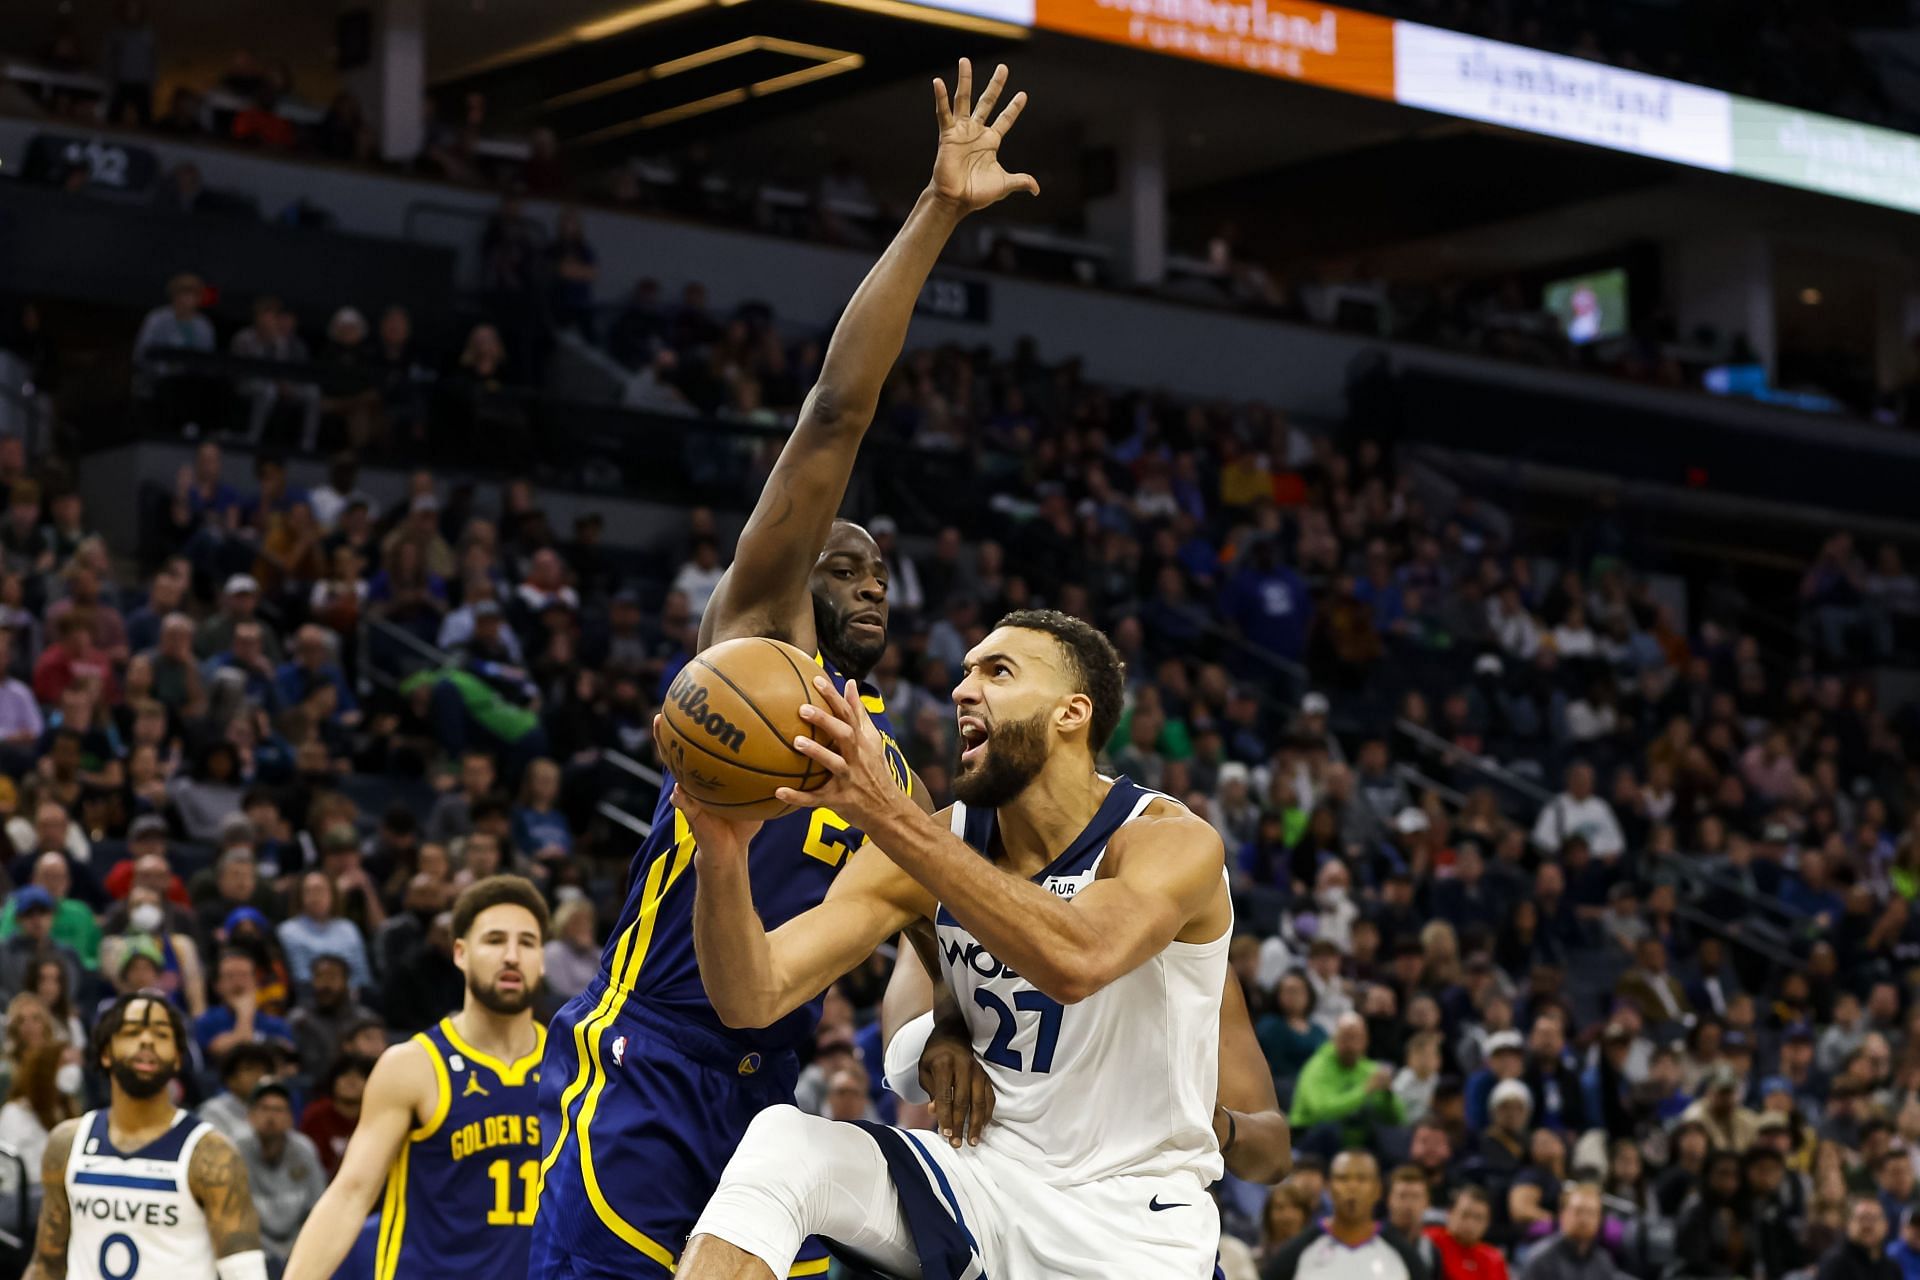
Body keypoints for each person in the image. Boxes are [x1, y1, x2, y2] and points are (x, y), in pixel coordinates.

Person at [528, 58, 1039, 1280]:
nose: (867, 580)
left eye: (880, 572)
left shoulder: (897, 769)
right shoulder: (755, 647)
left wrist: (950, 1024)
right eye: (845, 561)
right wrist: (937, 213)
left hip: (773, 1086)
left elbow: (922, 920)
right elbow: (834, 415)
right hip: (648, 1063)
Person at [675, 602, 1288, 1278]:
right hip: (983, 1183)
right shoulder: (933, 842)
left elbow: (1077, 958)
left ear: (1071, 714)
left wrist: (884, 812)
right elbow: (753, 995)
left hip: (1129, 1230)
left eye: (999, 672)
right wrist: (721, 858)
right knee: (786, 1147)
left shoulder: (1168, 842)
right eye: (965, 672)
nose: (964, 689)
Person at [280, 876, 549, 1280]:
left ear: (542, 960)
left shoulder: (575, 1065)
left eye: (526, 942)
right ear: (460, 953)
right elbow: (350, 1194)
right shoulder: (412, 1065)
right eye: (494, 940)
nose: (511, 956)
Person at [27, 992, 266, 1280]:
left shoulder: (211, 1153)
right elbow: (46, 1265)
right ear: (105, 1053)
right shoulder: (67, 1143)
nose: (147, 1040)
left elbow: (246, 1274)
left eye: (161, 1034)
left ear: (178, 1059)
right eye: (131, 1032)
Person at [1263, 1151, 1431, 1280]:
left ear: (1378, 1189)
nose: (1352, 1186)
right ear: (1328, 1188)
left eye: (1362, 1179)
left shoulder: (1405, 1257)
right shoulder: (1295, 1254)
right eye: (1343, 1178)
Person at [238, 1078, 326, 1264]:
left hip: (298, 1248)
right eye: (264, 1109)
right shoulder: (236, 1151)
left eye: (278, 1110)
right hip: (253, 1251)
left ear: (290, 1118)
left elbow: (317, 1208)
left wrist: (299, 1249)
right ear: (250, 1116)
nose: (271, 1117)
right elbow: (233, 1218)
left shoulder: (304, 1150)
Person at [0, 1040, 79, 1188]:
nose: (71, 1070)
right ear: (46, 1071)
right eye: (64, 1064)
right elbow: (10, 1172)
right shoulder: (14, 1113)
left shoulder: (64, 1109)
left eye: (72, 1063)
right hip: (27, 1194)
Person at [1519, 1184, 1618, 1280]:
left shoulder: (1603, 1261)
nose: (1584, 1219)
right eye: (1578, 1211)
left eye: (1591, 1213)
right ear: (1563, 1215)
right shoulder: (1540, 1259)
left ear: (1599, 1220)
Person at [1427, 1186, 1508, 1280]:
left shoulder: (1494, 1258)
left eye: (1478, 1218)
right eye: (1465, 1215)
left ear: (1487, 1223)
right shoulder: (1431, 1241)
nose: (1470, 1224)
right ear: (1450, 1214)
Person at [1823, 1196, 1904, 1280]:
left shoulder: (1892, 1267)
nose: (1867, 1225)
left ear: (1886, 1226)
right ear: (1849, 1224)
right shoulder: (1835, 1264)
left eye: (1874, 1219)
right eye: (1862, 1218)